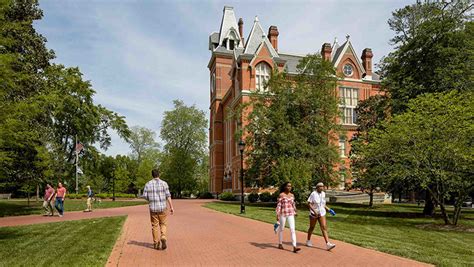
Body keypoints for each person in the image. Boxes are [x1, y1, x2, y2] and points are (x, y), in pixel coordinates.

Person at [143, 168, 174, 250]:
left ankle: (156, 243)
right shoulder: (164, 183)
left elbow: (145, 196)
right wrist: (171, 207)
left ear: (152, 175)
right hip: (162, 207)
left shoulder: (148, 184)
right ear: (159, 174)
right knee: (163, 224)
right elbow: (168, 195)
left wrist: (151, 200)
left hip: (153, 208)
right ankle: (163, 236)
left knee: (154, 225)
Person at [306, 182, 336, 250]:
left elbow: (323, 204)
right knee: (312, 227)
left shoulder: (323, 194)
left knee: (324, 227)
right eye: (320, 186)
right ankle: (308, 240)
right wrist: (314, 211)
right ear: (317, 187)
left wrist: (329, 210)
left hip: (322, 213)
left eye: (322, 186)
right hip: (314, 214)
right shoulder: (313, 194)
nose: (322, 187)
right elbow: (309, 203)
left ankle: (328, 244)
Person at [276, 182, 301, 253]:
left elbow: (293, 204)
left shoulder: (292, 195)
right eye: (288, 186)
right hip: (283, 214)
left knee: (292, 229)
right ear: (285, 187)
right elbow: (279, 205)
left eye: (290, 186)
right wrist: (277, 214)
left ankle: (294, 246)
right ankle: (280, 244)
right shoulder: (281, 195)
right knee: (281, 229)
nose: (289, 187)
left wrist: (295, 211)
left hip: (290, 214)